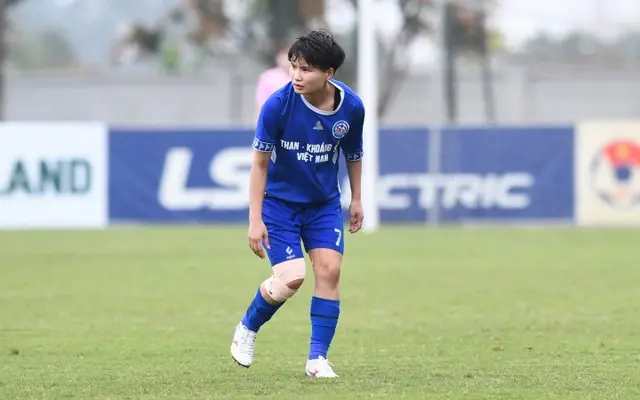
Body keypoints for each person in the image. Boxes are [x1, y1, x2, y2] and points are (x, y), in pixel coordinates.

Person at [230, 30, 365, 379]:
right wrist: (255, 219)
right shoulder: (277, 105)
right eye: (293, 67)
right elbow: (259, 164)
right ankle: (247, 327)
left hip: (323, 204)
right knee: (291, 280)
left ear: (328, 73)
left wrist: (357, 198)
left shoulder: (352, 107)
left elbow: (353, 154)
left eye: (306, 69)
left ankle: (317, 359)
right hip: (279, 206)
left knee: (330, 271)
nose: (296, 75)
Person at [254, 44, 292, 118]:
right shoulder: (268, 76)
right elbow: (261, 100)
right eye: (284, 55)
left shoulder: (300, 76)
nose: (286, 60)